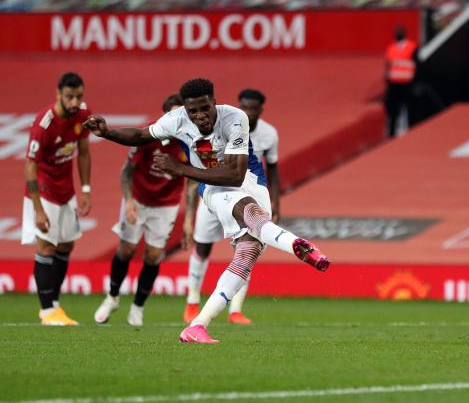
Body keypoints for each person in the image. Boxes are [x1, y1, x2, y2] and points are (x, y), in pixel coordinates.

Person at [83, 78, 329, 343]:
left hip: (250, 180)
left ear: (214, 101)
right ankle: (297, 244)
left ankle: (198, 325)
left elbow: (235, 176)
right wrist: (107, 132)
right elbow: (142, 136)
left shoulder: (235, 118)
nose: (199, 116)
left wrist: (180, 169)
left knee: (246, 256)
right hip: (212, 187)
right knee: (246, 213)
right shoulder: (176, 119)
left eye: (204, 108)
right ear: (186, 110)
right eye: (193, 111)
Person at [183, 88, 280, 325]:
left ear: (260, 109)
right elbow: (197, 165)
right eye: (243, 106)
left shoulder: (269, 134)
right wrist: (188, 214)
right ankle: (192, 302)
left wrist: (275, 202)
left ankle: (235, 310)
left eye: (252, 108)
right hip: (214, 193)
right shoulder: (225, 124)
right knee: (203, 247)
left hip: (247, 195)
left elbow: (274, 169)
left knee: (248, 246)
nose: (247, 111)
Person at [93, 94, 188, 326]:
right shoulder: (150, 133)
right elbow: (127, 170)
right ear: (164, 115)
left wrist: (190, 219)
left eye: (180, 115)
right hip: (139, 198)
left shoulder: (189, 139)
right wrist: (128, 200)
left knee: (154, 256)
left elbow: (193, 181)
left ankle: (137, 307)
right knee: (126, 250)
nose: (176, 120)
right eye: (172, 115)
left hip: (167, 204)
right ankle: (112, 297)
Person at [22, 72, 92, 326]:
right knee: (46, 247)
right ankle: (47, 310)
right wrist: (38, 209)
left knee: (66, 246)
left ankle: (55, 306)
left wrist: (85, 188)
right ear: (58, 94)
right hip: (44, 191)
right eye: (69, 96)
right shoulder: (44, 125)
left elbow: (83, 152)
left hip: (67, 191)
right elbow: (30, 166)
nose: (75, 102)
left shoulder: (82, 115)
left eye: (79, 96)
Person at [384, 26, 418, 137]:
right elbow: (388, 66)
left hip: (407, 82)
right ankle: (392, 133)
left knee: (409, 108)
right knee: (393, 108)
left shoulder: (412, 47)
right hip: (394, 83)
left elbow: (417, 64)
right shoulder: (391, 48)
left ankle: (410, 130)